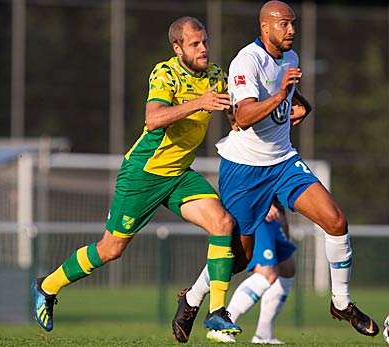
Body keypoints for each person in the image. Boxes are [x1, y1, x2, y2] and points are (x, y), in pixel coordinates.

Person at [30, 16, 242, 338]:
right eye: (195, 44)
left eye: (205, 42)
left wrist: (244, 115)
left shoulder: (215, 74)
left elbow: (232, 111)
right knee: (111, 249)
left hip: (179, 174)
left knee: (223, 224)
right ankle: (47, 286)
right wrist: (199, 102)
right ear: (177, 47)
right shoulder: (166, 73)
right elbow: (154, 119)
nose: (203, 49)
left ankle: (216, 313)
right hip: (143, 173)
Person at [214, 0, 380, 340]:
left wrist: (302, 104)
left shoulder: (291, 58)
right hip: (247, 168)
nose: (292, 30)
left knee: (336, 221)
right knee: (239, 261)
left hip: (284, 162)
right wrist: (279, 95)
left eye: (293, 24)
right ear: (265, 27)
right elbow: (243, 117)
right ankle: (193, 298)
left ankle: (341, 302)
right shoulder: (246, 60)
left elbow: (289, 95)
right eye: (284, 24)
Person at [225, 201, 295, 345]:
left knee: (287, 268)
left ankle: (263, 334)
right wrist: (263, 203)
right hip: (259, 212)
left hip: (276, 212)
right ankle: (223, 325)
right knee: (267, 273)